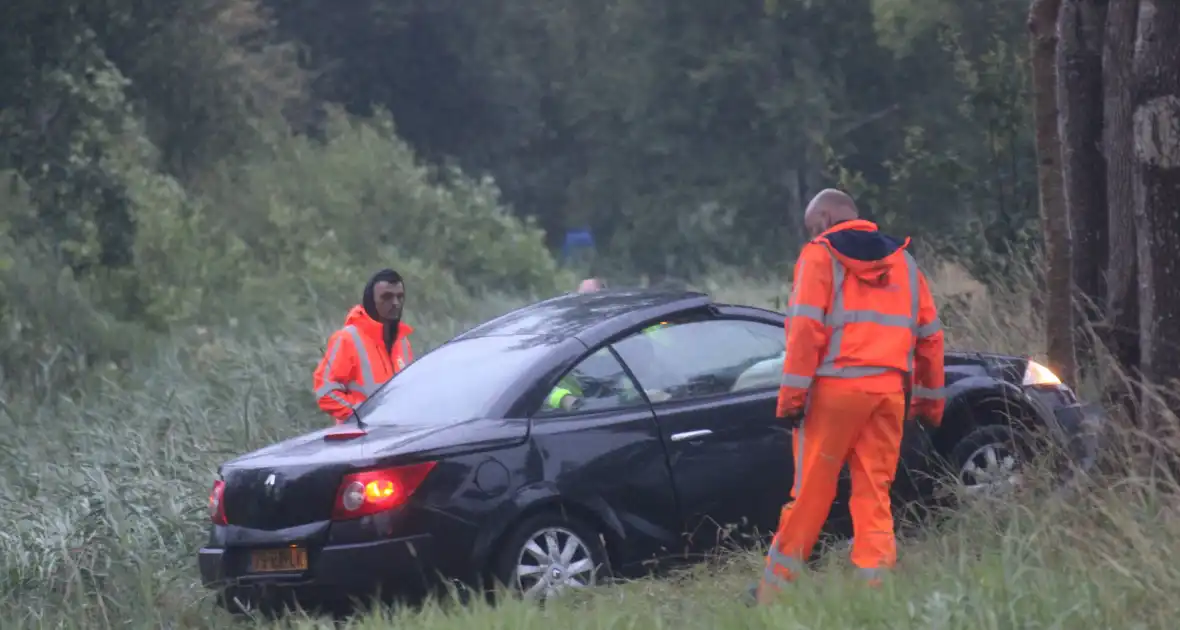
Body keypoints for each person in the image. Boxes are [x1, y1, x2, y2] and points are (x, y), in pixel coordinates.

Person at [753, 189, 945, 604]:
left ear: (824, 219)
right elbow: (930, 338)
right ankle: (874, 592)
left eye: (811, 227)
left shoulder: (819, 256)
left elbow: (804, 331)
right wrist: (929, 402)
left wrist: (791, 399)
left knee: (810, 494)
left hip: (835, 393)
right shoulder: (906, 264)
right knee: (874, 494)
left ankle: (773, 594)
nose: (811, 234)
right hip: (889, 394)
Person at [312, 269, 415, 423]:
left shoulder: (403, 343)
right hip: (360, 439)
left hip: (398, 436)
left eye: (399, 297)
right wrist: (364, 415)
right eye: (386, 297)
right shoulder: (347, 339)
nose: (395, 303)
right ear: (370, 301)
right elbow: (325, 392)